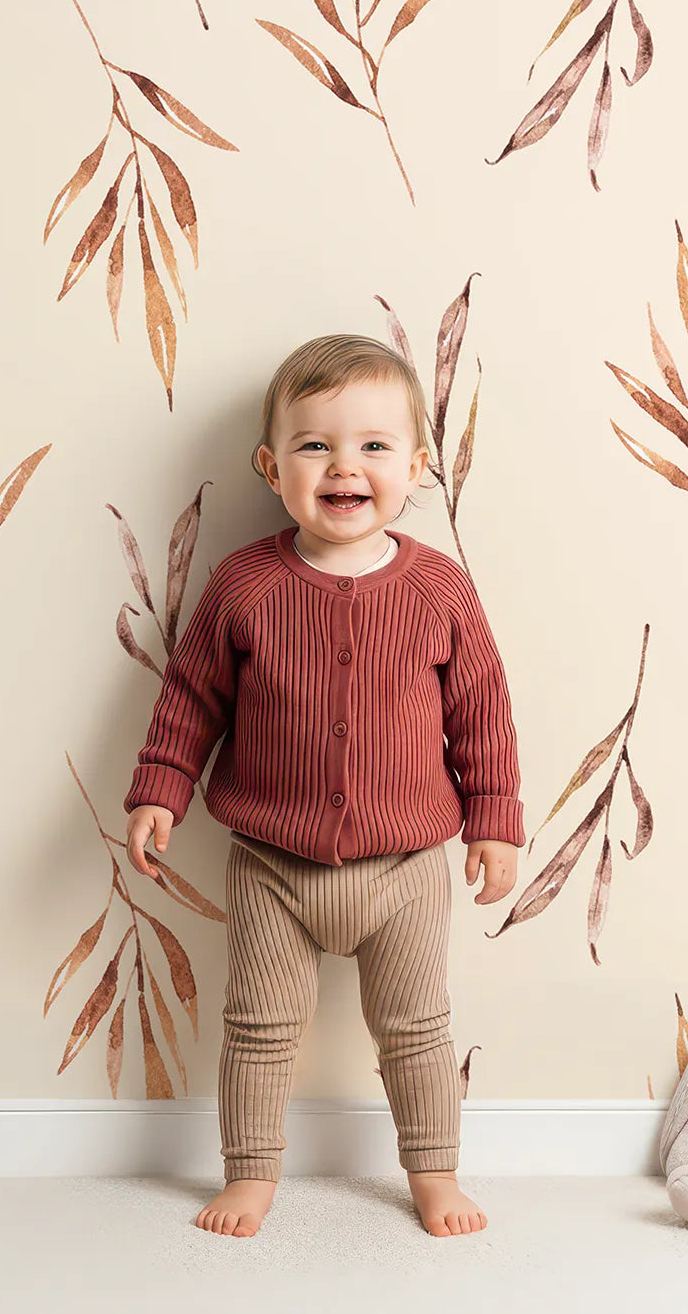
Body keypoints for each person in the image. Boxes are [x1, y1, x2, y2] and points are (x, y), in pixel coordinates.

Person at [123, 334, 525, 1238]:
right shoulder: (244, 586)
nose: (346, 466)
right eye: (316, 446)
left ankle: (434, 1174)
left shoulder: (440, 591)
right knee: (259, 1028)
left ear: (418, 466)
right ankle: (251, 1175)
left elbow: (484, 714)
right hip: (273, 862)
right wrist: (160, 787)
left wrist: (494, 822)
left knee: (417, 1030)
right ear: (272, 466)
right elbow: (190, 699)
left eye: (376, 446)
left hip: (408, 864)